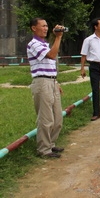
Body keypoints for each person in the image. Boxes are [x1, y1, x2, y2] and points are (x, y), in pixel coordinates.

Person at [27, 18, 65, 158]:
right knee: (45, 118)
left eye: (46, 26)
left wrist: (56, 82)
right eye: (42, 26)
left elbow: (50, 64)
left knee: (57, 117)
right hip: (42, 83)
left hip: (51, 81)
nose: (45, 28)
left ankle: (51, 144)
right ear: (34, 28)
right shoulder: (33, 44)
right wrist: (58, 38)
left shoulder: (45, 44)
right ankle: (44, 149)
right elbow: (52, 55)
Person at [80, 18, 100, 121]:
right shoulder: (88, 40)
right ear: (96, 27)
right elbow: (84, 55)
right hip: (94, 66)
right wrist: (82, 69)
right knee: (95, 89)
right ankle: (96, 112)